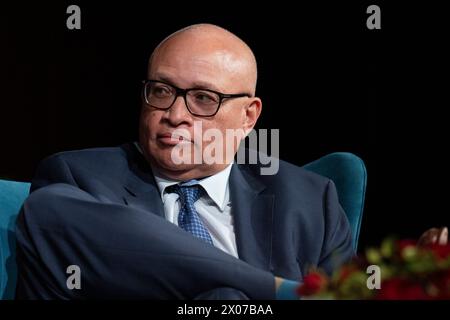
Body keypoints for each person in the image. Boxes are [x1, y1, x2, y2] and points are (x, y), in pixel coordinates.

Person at [14, 24, 446, 300]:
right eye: (161, 90)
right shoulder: (79, 176)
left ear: (249, 116)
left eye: (203, 98)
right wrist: (282, 293)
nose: (176, 114)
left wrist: (411, 280)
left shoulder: (311, 200)